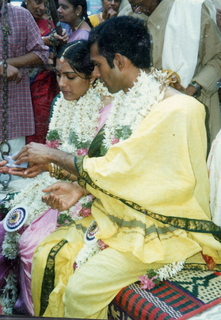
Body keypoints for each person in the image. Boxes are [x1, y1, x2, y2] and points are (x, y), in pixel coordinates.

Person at [13, 16, 221, 319]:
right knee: (48, 252)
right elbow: (125, 167)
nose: (94, 73)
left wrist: (54, 157)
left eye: (98, 65)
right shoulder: (126, 99)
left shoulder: (180, 109)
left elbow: (125, 168)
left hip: (161, 231)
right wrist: (77, 188)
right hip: (115, 212)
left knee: (80, 290)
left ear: (120, 61)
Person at [0, 40, 110, 315]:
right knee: (6, 226)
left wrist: (50, 165)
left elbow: (94, 169)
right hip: (54, 184)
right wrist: (31, 166)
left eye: (70, 76)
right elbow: (56, 151)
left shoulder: (107, 110)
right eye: (59, 74)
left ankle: (38, 310)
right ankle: (18, 304)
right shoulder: (63, 102)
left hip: (87, 194)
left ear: (93, 74)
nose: (61, 83)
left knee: (29, 246)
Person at [118, 0, 221, 147]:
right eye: (131, 3)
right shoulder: (128, 15)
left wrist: (193, 87)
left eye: (139, 2)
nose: (135, 7)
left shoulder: (193, 10)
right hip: (144, 117)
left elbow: (218, 57)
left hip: (193, 108)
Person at [0, 0, 49, 162]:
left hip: (13, 116)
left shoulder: (21, 16)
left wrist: (8, 64)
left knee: (13, 180)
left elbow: (41, 54)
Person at [22, 0, 65, 144]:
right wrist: (44, 42)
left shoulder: (52, 24)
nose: (41, 8)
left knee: (42, 126)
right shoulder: (15, 20)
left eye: (45, 3)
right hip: (18, 88)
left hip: (45, 88)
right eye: (38, 2)